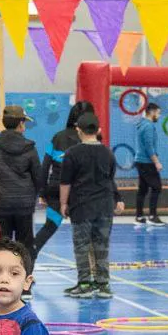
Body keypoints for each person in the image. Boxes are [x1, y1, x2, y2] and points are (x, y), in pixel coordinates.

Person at [60, 112, 124, 300]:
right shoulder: (108, 153)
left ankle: (85, 283)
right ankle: (103, 284)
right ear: (98, 130)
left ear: (78, 130)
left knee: (82, 246)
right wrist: (117, 198)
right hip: (104, 206)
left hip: (81, 207)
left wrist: (63, 203)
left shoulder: (72, 153)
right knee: (102, 245)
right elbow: (110, 179)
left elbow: (66, 182)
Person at [34, 100, 93, 262]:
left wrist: (42, 192)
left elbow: (44, 167)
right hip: (80, 195)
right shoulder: (91, 140)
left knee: (47, 229)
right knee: (84, 235)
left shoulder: (57, 137)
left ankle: (27, 262)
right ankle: (88, 278)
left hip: (56, 191)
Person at [0, 104, 44, 258]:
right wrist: (33, 196)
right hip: (24, 205)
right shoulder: (30, 148)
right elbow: (38, 177)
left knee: (1, 246)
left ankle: (4, 279)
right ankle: (24, 278)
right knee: (25, 246)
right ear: (20, 124)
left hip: (0, 204)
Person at [134, 101, 165, 225]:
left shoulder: (141, 124)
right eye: (158, 113)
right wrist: (156, 162)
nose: (159, 116)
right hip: (147, 162)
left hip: (140, 161)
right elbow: (149, 146)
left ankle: (140, 216)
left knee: (143, 188)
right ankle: (152, 216)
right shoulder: (148, 126)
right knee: (157, 187)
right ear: (152, 112)